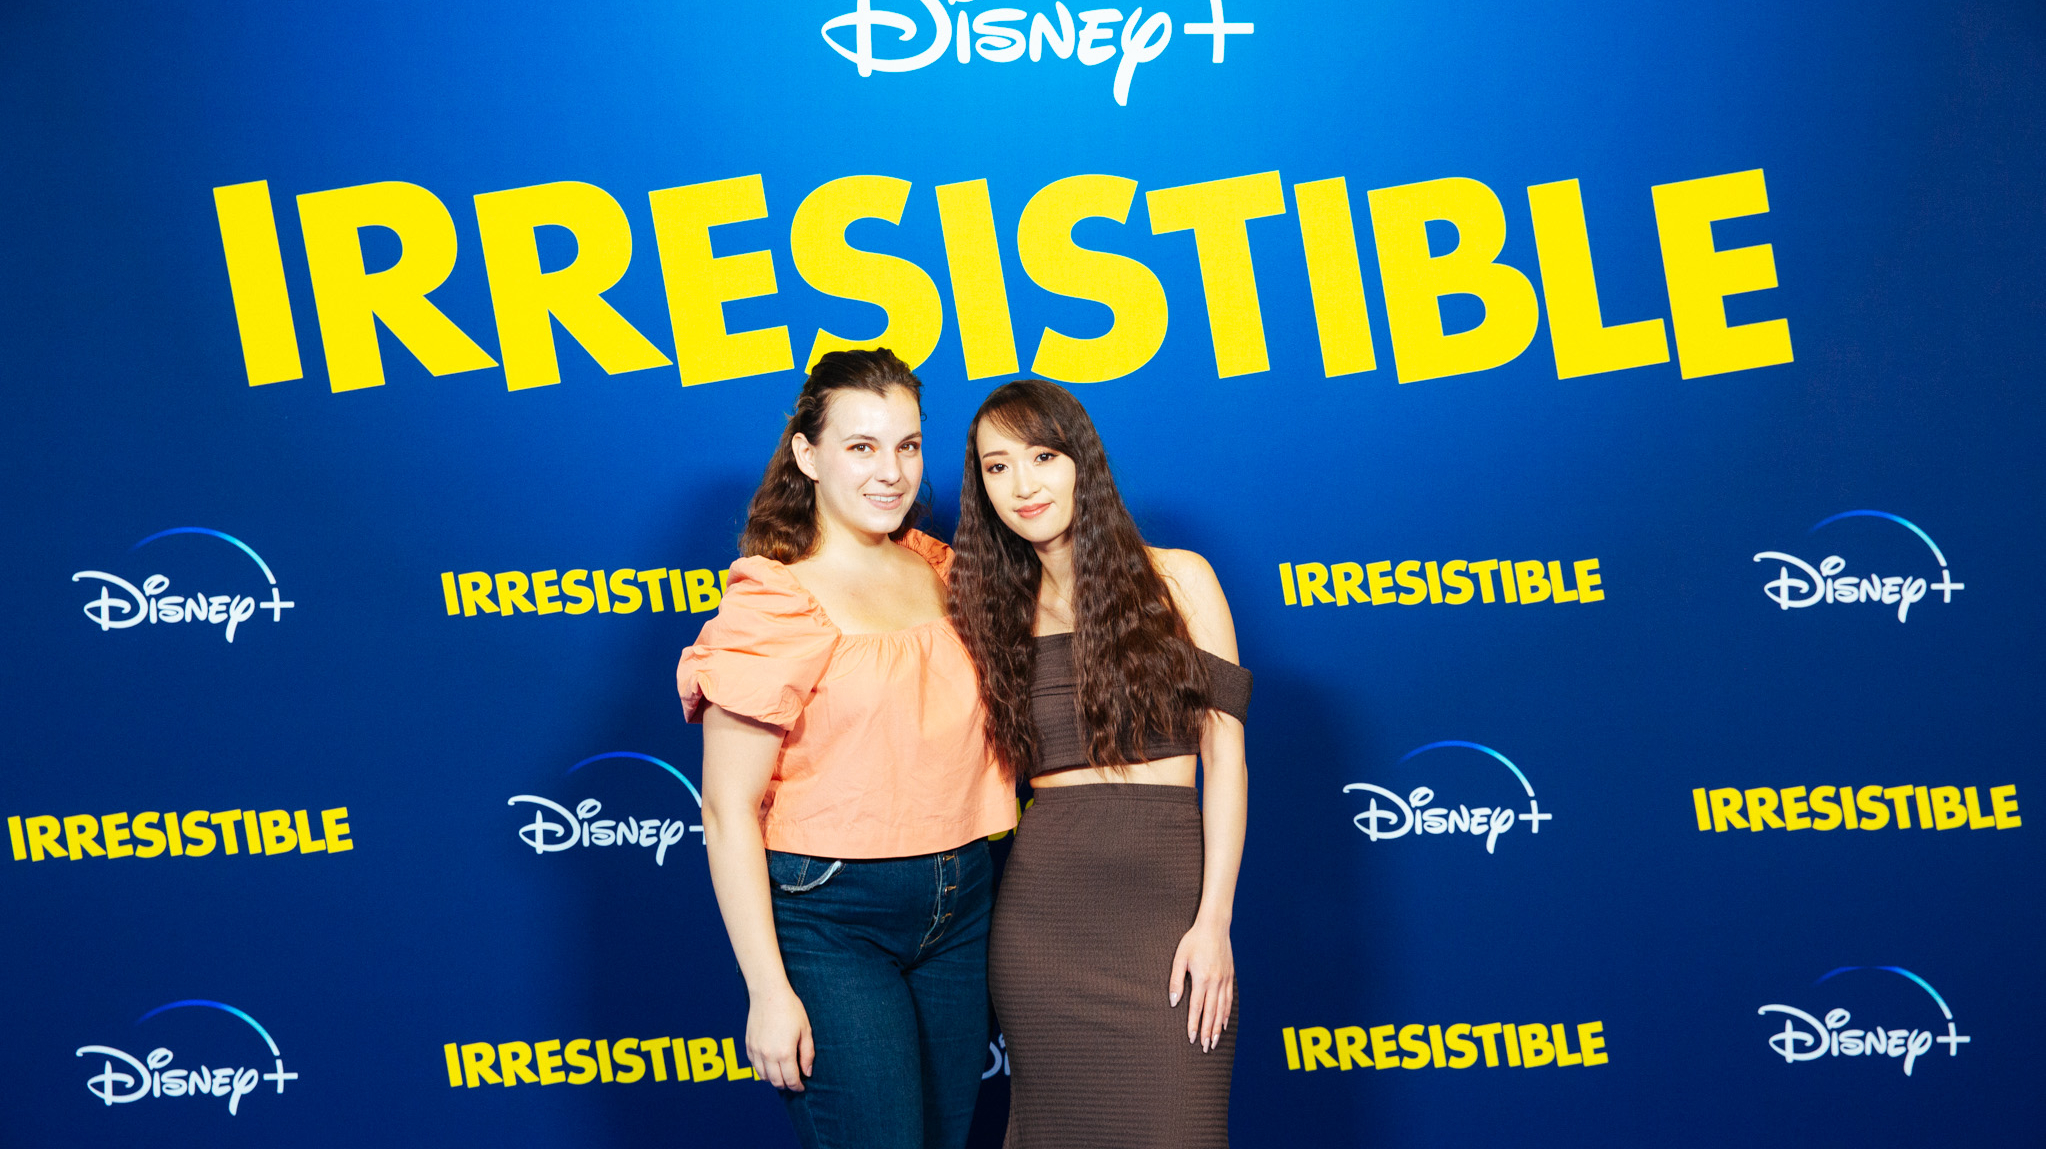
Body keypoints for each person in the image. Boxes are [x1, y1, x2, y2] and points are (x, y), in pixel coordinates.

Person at [676, 349, 1015, 1149]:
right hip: (832, 918)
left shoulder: (941, 569)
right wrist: (768, 989)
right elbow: (726, 810)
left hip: (963, 902)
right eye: (861, 446)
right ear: (808, 454)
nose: (891, 472)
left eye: (908, 445)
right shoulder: (775, 598)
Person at [951, 380, 1250, 1148]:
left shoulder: (1179, 579)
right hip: (1045, 931)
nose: (1023, 484)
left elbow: (1225, 756)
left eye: (1042, 457)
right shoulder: (991, 612)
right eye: (997, 466)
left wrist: (1213, 921)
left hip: (1169, 921)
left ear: (1081, 459)